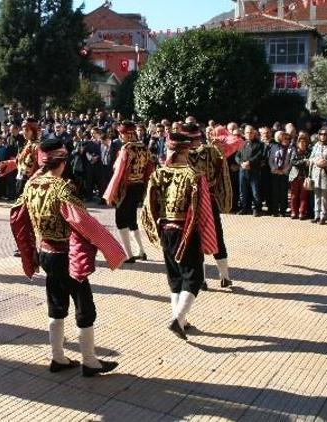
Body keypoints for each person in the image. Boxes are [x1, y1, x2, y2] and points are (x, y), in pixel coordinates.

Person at [11, 138, 126, 377]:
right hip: (67, 256)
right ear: (62, 162)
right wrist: (111, 249)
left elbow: (17, 217)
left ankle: (58, 357)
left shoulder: (31, 185)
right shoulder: (62, 189)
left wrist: (29, 248)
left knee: (56, 304)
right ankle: (90, 361)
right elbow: (84, 222)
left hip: (45, 253)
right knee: (84, 307)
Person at [141, 132, 218, 341]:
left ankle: (180, 320)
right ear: (186, 151)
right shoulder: (195, 175)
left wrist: (156, 225)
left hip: (166, 228)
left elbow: (150, 204)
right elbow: (203, 210)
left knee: (175, 276)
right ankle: (178, 318)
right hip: (187, 230)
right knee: (194, 276)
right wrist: (206, 236)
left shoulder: (160, 173)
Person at [187, 123, 241, 288]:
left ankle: (202, 279)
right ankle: (224, 276)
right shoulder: (212, 151)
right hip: (210, 199)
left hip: (193, 201)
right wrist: (222, 197)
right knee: (216, 236)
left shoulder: (183, 155)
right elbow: (222, 175)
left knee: (196, 238)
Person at [103, 121, 152, 263]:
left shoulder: (126, 149)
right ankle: (141, 251)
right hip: (139, 186)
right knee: (131, 220)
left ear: (127, 134)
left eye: (121, 133)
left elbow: (118, 171)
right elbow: (150, 168)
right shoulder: (143, 147)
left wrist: (111, 192)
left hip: (126, 187)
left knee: (121, 220)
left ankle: (129, 254)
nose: (120, 136)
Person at [309, 128, 327, 225]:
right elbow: (311, 157)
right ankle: (316, 216)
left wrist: (325, 162)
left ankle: (323, 216)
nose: (323, 135)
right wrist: (316, 161)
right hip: (316, 174)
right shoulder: (316, 145)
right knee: (316, 195)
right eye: (321, 134)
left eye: (325, 134)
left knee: (325, 197)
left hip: (326, 174)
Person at [235, 125, 264, 216]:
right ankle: (244, 208)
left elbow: (259, 156)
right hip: (243, 171)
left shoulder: (259, 144)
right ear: (244, 133)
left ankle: (256, 209)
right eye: (247, 132)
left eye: (251, 132)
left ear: (254, 133)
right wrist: (241, 163)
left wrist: (249, 163)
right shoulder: (242, 143)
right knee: (242, 191)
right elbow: (237, 156)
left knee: (255, 191)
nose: (249, 134)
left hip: (254, 171)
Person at [268, 131, 292, 217]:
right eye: (284, 138)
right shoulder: (274, 147)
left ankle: (282, 211)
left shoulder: (290, 149)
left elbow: (290, 162)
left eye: (287, 139)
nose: (286, 140)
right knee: (275, 192)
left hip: (284, 173)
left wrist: (284, 171)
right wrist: (274, 169)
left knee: (283, 192)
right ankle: (275, 211)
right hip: (275, 172)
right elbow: (271, 160)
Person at [288, 133, 311, 220]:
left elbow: (308, 164)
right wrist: (304, 161)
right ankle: (294, 212)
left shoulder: (309, 152)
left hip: (304, 177)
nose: (302, 144)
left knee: (303, 196)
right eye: (301, 142)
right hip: (295, 176)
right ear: (298, 143)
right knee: (293, 196)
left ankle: (302, 212)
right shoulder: (295, 151)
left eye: (304, 142)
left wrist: (302, 162)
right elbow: (293, 162)